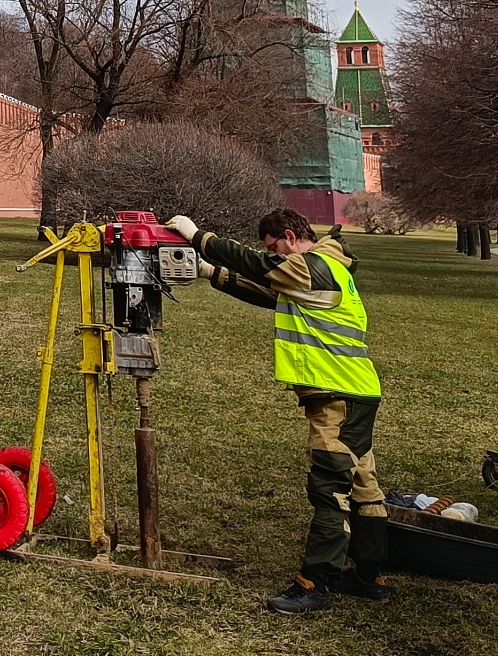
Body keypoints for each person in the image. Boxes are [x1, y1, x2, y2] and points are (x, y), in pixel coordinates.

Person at [166, 209, 389, 615]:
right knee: (363, 487)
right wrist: (208, 271)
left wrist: (199, 237)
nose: (272, 256)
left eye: (274, 248)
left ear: (289, 236)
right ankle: (370, 576)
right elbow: (266, 290)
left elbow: (259, 266)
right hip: (357, 392)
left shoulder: (315, 266)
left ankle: (315, 584)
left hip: (336, 398)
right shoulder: (327, 269)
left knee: (329, 490)